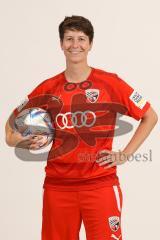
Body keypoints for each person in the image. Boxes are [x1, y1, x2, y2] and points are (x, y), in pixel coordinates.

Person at [5, 15, 158, 240]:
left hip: (100, 185)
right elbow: (10, 129)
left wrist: (125, 154)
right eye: (69, 39)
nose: (75, 45)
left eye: (81, 39)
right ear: (61, 44)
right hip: (58, 187)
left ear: (90, 44)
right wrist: (20, 141)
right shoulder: (48, 88)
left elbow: (150, 116)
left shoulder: (110, 82)